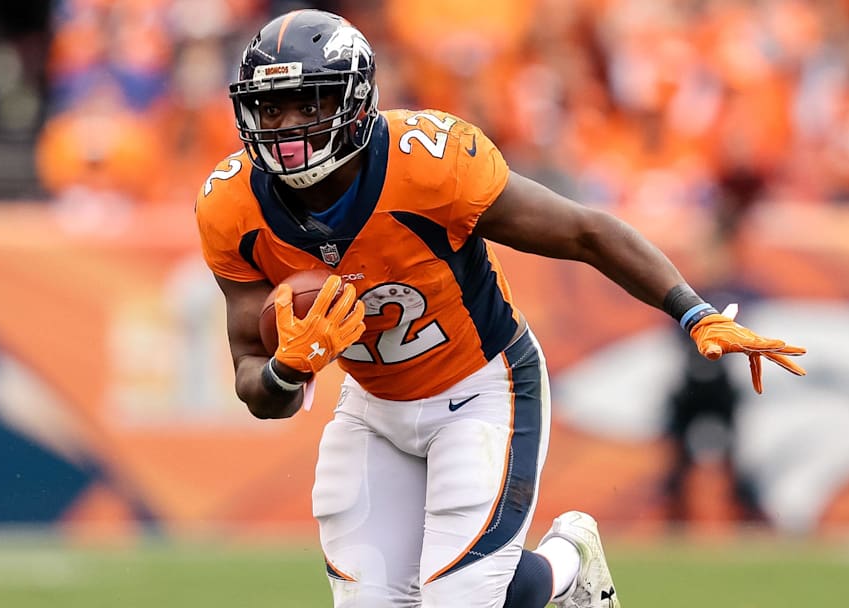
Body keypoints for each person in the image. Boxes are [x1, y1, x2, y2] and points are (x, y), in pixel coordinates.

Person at [194, 9, 806, 608]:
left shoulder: (429, 165)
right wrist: (287, 370)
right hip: (373, 407)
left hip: (482, 385)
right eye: (271, 107)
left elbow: (584, 232)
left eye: (311, 102)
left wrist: (691, 311)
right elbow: (254, 381)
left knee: (461, 599)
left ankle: (567, 569)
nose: (289, 125)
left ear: (356, 101)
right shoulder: (232, 207)